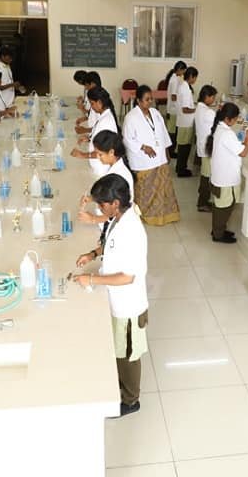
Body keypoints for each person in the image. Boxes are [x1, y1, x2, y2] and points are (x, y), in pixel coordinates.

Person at [73, 174, 148, 417]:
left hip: (129, 305)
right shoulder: (118, 217)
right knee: (119, 348)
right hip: (116, 299)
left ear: (115, 202)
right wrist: (93, 254)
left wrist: (91, 279)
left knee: (128, 355)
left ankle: (131, 400)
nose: (99, 208)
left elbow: (128, 277)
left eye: (102, 204)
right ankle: (120, 387)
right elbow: (110, 243)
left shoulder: (132, 230)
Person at [122, 85, 180, 226]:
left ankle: (164, 215)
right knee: (146, 190)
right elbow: (127, 139)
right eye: (147, 99)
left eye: (151, 99)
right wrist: (143, 147)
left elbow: (163, 133)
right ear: (138, 101)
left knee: (163, 189)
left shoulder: (155, 113)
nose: (150, 102)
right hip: (143, 160)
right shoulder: (131, 117)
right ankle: (145, 214)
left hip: (160, 158)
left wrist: (166, 152)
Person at [208, 103, 248, 243]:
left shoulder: (220, 128)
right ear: (228, 119)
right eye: (235, 119)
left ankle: (218, 229)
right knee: (224, 207)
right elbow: (243, 152)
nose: (236, 121)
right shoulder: (227, 134)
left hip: (221, 175)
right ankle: (218, 234)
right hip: (226, 178)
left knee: (221, 205)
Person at [78, 130, 135, 226]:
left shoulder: (122, 175)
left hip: (114, 224)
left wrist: (94, 219)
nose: (98, 157)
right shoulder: (113, 167)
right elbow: (110, 194)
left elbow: (120, 210)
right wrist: (94, 198)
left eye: (100, 154)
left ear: (111, 152)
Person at [71, 87, 119, 176]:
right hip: (98, 166)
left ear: (99, 102)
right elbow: (102, 138)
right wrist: (90, 138)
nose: (91, 107)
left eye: (92, 104)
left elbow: (104, 150)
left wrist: (82, 155)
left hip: (102, 169)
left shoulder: (106, 121)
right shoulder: (103, 116)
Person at [194, 85, 218, 212]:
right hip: (207, 148)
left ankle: (203, 199)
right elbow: (218, 125)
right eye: (213, 97)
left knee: (205, 173)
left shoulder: (199, 108)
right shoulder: (208, 112)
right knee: (206, 176)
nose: (214, 100)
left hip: (203, 145)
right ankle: (202, 202)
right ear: (207, 97)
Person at [175, 66, 199, 177]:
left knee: (183, 147)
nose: (195, 80)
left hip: (184, 122)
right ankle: (181, 170)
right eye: (195, 77)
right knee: (184, 148)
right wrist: (196, 109)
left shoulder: (185, 87)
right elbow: (185, 109)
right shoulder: (184, 89)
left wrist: (194, 106)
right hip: (185, 123)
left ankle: (180, 168)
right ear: (191, 76)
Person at [165, 61, 187, 159]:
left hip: (172, 109)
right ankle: (171, 152)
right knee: (173, 133)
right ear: (179, 69)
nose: (183, 74)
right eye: (183, 71)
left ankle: (171, 151)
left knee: (173, 132)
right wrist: (180, 105)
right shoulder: (174, 80)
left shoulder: (175, 78)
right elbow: (173, 97)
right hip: (173, 110)